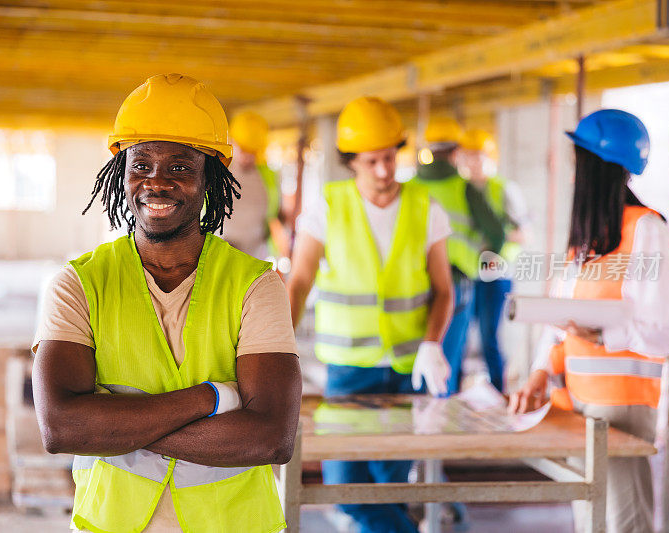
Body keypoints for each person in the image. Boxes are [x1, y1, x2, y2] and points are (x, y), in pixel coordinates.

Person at [32, 74, 302, 533]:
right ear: (123, 172)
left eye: (179, 167)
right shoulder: (77, 284)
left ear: (209, 178)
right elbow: (62, 428)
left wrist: (119, 427)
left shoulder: (257, 285)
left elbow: (272, 437)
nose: (156, 182)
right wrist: (213, 398)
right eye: (141, 165)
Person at [509, 109, 669, 533]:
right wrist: (540, 372)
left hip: (622, 407)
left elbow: (668, 328)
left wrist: (605, 335)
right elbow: (561, 323)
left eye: (577, 166)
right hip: (579, 405)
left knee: (623, 524)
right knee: (590, 521)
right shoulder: (587, 242)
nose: (573, 179)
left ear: (597, 169)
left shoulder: (646, 230)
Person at [287, 96, 454, 533]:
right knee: (346, 489)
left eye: (389, 158)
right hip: (348, 372)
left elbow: (444, 290)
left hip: (404, 370)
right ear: (351, 161)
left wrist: (433, 343)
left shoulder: (425, 207)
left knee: (387, 489)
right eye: (372, 161)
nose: (384, 170)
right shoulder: (327, 206)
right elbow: (300, 282)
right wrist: (276, 347)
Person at [411, 119, 504, 395]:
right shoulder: (465, 188)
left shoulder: (410, 188)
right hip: (456, 282)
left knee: (415, 359)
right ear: (455, 153)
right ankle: (441, 420)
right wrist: (480, 264)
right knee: (446, 360)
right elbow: (496, 234)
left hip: (415, 282)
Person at [456, 128, 529, 393]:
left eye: (478, 156)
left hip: (496, 275)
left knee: (490, 338)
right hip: (466, 274)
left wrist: (496, 236)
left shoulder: (503, 189)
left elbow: (524, 234)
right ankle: (455, 394)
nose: (472, 162)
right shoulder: (458, 190)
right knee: (459, 338)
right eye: (468, 156)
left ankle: (499, 393)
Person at [224, 111, 289, 260]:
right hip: (218, 256)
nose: (248, 156)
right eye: (244, 149)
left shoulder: (269, 176)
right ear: (231, 141)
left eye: (253, 151)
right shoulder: (216, 171)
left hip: (256, 258)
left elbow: (274, 216)